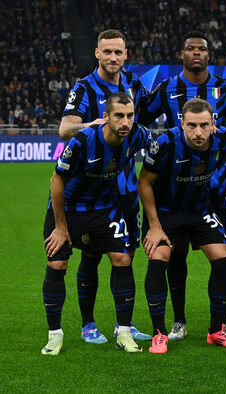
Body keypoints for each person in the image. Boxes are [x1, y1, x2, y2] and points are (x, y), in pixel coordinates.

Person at [139, 30, 226, 340]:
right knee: (175, 255)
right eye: (190, 49)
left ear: (208, 54)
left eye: (201, 49)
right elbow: (141, 121)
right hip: (175, 184)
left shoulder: (224, 88)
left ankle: (225, 320)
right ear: (182, 54)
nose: (196, 53)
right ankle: (178, 321)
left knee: (224, 252)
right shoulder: (166, 89)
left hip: (217, 186)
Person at [58, 29, 151, 343]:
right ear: (97, 53)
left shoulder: (133, 85)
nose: (113, 58)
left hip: (126, 190)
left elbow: (142, 122)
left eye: (119, 53)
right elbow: (64, 129)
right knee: (91, 256)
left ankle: (123, 324)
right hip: (93, 189)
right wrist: (91, 124)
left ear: (126, 55)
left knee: (125, 254)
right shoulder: (85, 87)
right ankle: (88, 323)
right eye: (107, 52)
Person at [42, 93, 152, 355]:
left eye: (130, 115)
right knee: (57, 263)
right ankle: (55, 336)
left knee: (123, 259)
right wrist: (60, 226)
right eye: (118, 116)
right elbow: (56, 180)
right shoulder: (83, 140)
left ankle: (124, 332)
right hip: (69, 208)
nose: (125, 122)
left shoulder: (137, 134)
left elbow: (165, 141)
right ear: (105, 117)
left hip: (105, 207)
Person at [138, 99, 226, 353]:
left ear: (213, 124)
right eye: (192, 125)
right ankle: (159, 333)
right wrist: (154, 226)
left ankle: (216, 330)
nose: (198, 132)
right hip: (165, 213)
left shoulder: (223, 138)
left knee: (225, 260)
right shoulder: (164, 144)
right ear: (182, 123)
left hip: (200, 210)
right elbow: (144, 183)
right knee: (159, 259)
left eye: (204, 125)